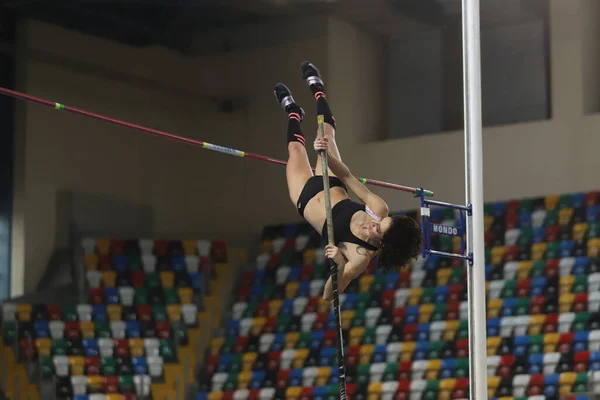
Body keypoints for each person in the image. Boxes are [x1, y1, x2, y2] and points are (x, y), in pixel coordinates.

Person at [274, 61, 422, 301]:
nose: (374, 223)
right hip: (332, 183)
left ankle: (293, 112)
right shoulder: (378, 209)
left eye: (378, 230)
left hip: (304, 198)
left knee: (295, 150)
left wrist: (340, 264)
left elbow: (327, 296)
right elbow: (346, 176)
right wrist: (327, 155)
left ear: (383, 246)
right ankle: (317, 88)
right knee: (326, 136)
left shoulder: (358, 258)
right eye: (382, 222)